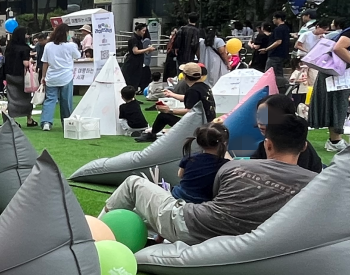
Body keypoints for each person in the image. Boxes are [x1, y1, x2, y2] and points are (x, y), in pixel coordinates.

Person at [103, 115, 317, 245]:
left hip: (190, 225)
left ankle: (94, 230)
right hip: (238, 240)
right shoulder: (316, 185)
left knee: (134, 183)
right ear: (304, 146)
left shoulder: (236, 167)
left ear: (267, 144)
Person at [137, 62, 214, 142]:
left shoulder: (192, 90)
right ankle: (152, 133)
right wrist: (172, 95)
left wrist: (169, 110)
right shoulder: (204, 87)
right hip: (208, 124)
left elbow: (190, 111)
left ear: (184, 76)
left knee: (163, 116)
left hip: (196, 127)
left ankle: (152, 134)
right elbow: (190, 99)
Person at [248, 95, 323, 172]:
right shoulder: (262, 147)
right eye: (259, 116)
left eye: (267, 116)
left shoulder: (298, 149)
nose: (260, 122)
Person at [309, 21, 350, 153]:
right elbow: (339, 48)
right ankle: (335, 140)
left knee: (336, 104)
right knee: (337, 103)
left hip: (336, 72)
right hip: (336, 73)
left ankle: (335, 139)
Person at [39, 23, 81, 131]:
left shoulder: (48, 46)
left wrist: (43, 76)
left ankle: (46, 122)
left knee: (50, 100)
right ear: (66, 33)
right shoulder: (70, 46)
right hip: (66, 76)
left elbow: (45, 62)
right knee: (66, 101)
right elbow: (78, 56)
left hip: (52, 76)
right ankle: (66, 122)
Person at [173, 122, 229, 203]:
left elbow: (180, 175)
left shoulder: (190, 157)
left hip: (178, 196)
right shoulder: (224, 164)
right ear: (224, 143)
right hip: (202, 203)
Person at [3, 28, 35, 127]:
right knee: (27, 98)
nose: (27, 36)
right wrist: (32, 62)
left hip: (9, 75)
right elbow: (25, 63)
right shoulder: (25, 48)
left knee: (12, 97)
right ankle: (29, 119)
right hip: (22, 76)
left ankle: (12, 120)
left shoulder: (9, 47)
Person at [264, 11, 292, 93]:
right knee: (279, 74)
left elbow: (278, 41)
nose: (273, 20)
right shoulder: (286, 28)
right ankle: (282, 90)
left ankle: (271, 90)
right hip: (283, 54)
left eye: (274, 18)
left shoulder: (278, 29)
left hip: (275, 54)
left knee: (269, 73)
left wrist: (266, 49)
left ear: (279, 19)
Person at [123, 23, 155, 91]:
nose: (144, 32)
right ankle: (131, 99)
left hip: (137, 63)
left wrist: (148, 51)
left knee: (135, 82)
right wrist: (148, 49)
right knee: (131, 82)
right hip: (132, 64)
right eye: (143, 31)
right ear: (138, 30)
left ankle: (133, 98)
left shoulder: (139, 39)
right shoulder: (134, 39)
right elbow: (135, 51)